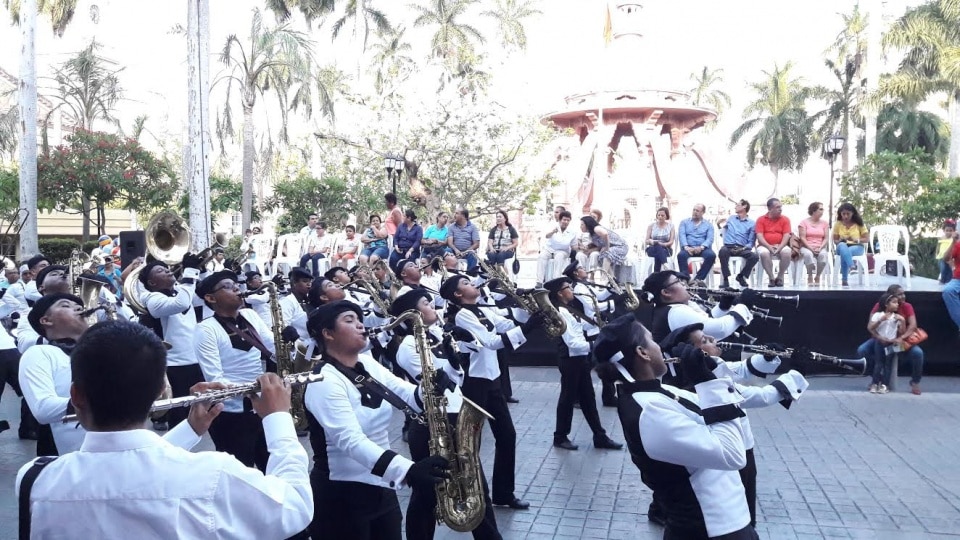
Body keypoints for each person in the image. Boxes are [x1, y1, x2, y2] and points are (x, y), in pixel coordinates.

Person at [16, 320, 313, 539]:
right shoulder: (214, 473)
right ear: (161, 391)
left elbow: (126, 470)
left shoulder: (34, 478)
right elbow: (294, 506)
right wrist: (277, 417)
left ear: (76, 396)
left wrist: (191, 429)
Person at [593, 314, 758, 540]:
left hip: (726, 524)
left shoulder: (657, 393)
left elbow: (716, 409)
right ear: (643, 353)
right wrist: (707, 382)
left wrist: (709, 371)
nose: (660, 348)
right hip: (709, 530)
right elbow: (733, 455)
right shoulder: (649, 411)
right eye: (653, 342)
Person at [303, 301, 451, 539]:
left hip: (382, 485)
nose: (361, 325)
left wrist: (429, 388)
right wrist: (409, 470)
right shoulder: (323, 380)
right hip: (341, 496)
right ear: (327, 334)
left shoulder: (368, 364)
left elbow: (406, 395)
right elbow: (350, 441)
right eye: (349, 320)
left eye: (359, 319)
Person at [389, 288, 503, 540]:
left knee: (476, 487)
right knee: (427, 494)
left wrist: (454, 352)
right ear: (414, 314)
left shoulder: (438, 335)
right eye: (426, 303)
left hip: (455, 416)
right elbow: (431, 385)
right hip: (432, 422)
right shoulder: (409, 346)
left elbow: (456, 378)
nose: (433, 307)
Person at [440, 274, 542, 510]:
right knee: (468, 442)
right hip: (475, 383)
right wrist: (527, 329)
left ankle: (503, 494)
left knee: (507, 435)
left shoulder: (481, 308)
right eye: (465, 283)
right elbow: (491, 341)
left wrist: (527, 310)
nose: (472, 283)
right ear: (458, 294)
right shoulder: (464, 314)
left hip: (491, 379)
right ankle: (464, 492)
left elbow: (505, 322)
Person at [195, 271, 276, 470]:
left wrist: (293, 347)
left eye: (236, 284)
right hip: (231, 415)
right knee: (239, 474)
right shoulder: (206, 329)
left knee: (273, 469)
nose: (236, 288)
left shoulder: (250, 315)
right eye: (228, 286)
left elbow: (273, 349)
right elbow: (215, 378)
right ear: (210, 298)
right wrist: (255, 389)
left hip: (262, 407)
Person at [543, 277, 623, 451]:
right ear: (560, 293)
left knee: (588, 399)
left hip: (579, 359)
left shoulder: (568, 309)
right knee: (567, 399)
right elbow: (573, 343)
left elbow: (580, 331)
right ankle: (560, 436)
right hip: (570, 360)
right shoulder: (560, 313)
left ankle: (599, 436)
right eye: (568, 287)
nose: (572, 289)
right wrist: (595, 345)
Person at [138, 253, 206, 429]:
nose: (168, 271)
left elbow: (202, 298)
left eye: (166, 268)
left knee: (201, 410)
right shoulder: (153, 299)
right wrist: (189, 272)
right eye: (160, 271)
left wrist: (200, 270)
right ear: (152, 283)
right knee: (181, 415)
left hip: (197, 358)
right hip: (176, 364)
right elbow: (181, 304)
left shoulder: (180, 289)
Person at [859, 285, 924, 395]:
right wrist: (880, 337)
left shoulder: (907, 306)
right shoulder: (879, 307)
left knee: (918, 353)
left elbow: (913, 326)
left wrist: (901, 338)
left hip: (900, 341)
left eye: (903, 293)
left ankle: (915, 382)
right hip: (881, 340)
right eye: (899, 294)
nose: (903, 296)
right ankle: (878, 379)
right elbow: (871, 326)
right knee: (862, 350)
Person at [866, 292, 904, 395]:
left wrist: (902, 321)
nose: (897, 304)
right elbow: (870, 328)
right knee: (879, 363)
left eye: (897, 303)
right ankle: (874, 383)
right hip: (880, 341)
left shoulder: (897, 317)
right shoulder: (878, 315)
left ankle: (884, 385)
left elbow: (901, 332)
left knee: (888, 364)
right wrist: (880, 321)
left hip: (891, 343)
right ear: (886, 304)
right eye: (894, 302)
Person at [718, 200, 759, 289]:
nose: (735, 207)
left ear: (744, 207)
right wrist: (718, 224)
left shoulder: (752, 223)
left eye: (737, 205)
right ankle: (725, 279)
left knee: (754, 257)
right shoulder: (731, 218)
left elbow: (751, 241)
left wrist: (743, 249)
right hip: (728, 246)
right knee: (722, 251)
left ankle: (741, 276)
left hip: (742, 248)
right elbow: (723, 231)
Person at [755, 198, 792, 287]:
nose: (780, 209)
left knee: (787, 252)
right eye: (777, 207)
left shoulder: (785, 219)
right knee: (764, 253)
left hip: (780, 245)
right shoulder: (761, 219)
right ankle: (771, 278)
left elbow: (786, 235)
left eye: (781, 207)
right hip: (764, 245)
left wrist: (779, 247)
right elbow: (759, 236)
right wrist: (769, 247)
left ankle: (779, 277)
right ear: (770, 209)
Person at [677, 204, 716, 285]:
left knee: (711, 255)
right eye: (694, 210)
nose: (695, 212)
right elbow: (682, 235)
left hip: (702, 248)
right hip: (688, 247)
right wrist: (686, 247)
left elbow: (710, 239)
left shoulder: (708, 225)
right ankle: (685, 279)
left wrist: (701, 247)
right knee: (681, 255)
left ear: (703, 212)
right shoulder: (684, 222)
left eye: (697, 211)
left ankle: (697, 279)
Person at [832, 202, 869, 287]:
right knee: (842, 246)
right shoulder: (838, 224)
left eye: (848, 214)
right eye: (843, 214)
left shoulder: (859, 223)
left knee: (845, 253)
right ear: (840, 214)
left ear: (852, 213)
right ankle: (852, 266)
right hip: (841, 246)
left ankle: (844, 280)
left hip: (857, 247)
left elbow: (866, 239)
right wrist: (841, 240)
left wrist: (856, 240)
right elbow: (835, 241)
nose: (845, 216)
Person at [536, 210, 577, 286]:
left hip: (563, 251)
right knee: (541, 256)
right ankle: (539, 281)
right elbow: (546, 236)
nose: (566, 222)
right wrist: (552, 232)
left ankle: (556, 280)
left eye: (568, 220)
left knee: (559, 257)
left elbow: (574, 246)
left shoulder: (572, 231)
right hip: (549, 249)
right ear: (560, 220)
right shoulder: (552, 226)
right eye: (564, 220)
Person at [797, 202, 830, 286]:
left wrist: (820, 247)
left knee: (823, 255)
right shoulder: (803, 223)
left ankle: (818, 276)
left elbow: (826, 238)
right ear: (814, 210)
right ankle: (810, 275)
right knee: (808, 254)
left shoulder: (825, 223)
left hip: (820, 246)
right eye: (820, 209)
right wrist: (810, 248)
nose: (823, 211)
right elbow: (802, 238)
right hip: (806, 246)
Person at [644, 207, 675, 273]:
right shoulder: (651, 226)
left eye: (662, 215)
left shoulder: (671, 226)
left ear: (666, 216)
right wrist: (651, 242)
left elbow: (671, 242)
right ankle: (665, 264)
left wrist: (662, 244)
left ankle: (656, 274)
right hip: (652, 248)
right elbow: (646, 241)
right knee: (657, 248)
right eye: (659, 215)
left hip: (666, 249)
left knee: (659, 254)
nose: (660, 217)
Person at [937, 219, 957, 284]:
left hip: (950, 258)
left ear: (954, 231)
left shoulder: (953, 239)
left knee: (950, 270)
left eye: (951, 231)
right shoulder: (942, 238)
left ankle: (948, 281)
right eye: (947, 230)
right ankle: (942, 280)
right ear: (944, 231)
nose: (948, 232)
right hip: (941, 257)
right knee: (943, 269)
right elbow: (938, 246)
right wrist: (937, 253)